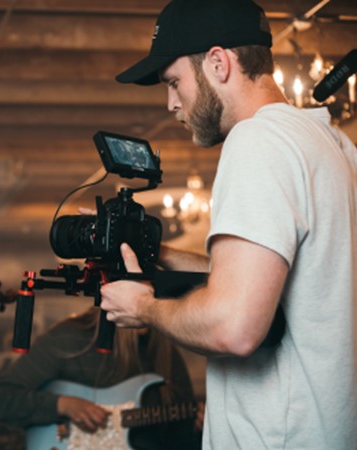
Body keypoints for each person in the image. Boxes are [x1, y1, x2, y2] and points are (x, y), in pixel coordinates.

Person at [98, 0, 357, 447]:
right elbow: (274, 281)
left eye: (174, 82)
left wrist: (143, 307)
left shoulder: (256, 140)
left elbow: (233, 326)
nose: (171, 104)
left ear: (218, 63)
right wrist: (156, 254)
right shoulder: (332, 143)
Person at [0, 308, 200, 450]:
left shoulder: (165, 353)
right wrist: (62, 405)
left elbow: (177, 441)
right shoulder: (69, 339)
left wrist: (197, 428)